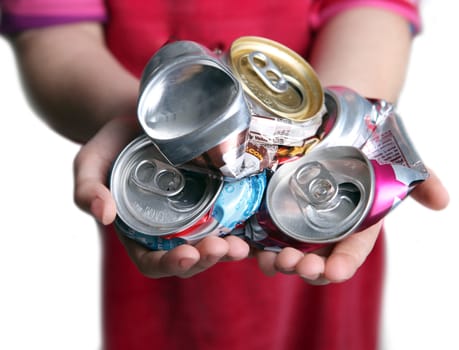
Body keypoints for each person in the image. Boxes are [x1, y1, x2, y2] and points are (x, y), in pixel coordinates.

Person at [0, 1, 449, 349]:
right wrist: (125, 120)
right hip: (164, 229)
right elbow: (53, 34)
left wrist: (338, 142)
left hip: (314, 237)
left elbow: (371, 11)